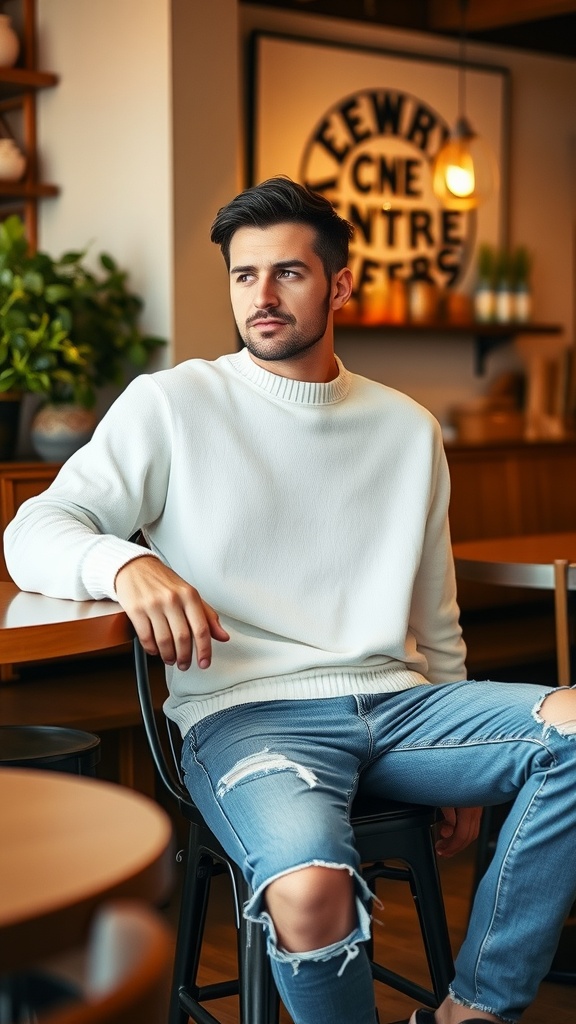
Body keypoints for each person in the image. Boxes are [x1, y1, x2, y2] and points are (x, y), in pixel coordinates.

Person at [4, 176, 576, 1024]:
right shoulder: (172, 405)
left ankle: (475, 1010)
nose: (261, 297)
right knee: (310, 893)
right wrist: (123, 564)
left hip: (404, 710)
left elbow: (435, 612)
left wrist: (458, 764)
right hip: (247, 715)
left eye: (288, 274)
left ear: (339, 284)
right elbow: (33, 527)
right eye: (243, 276)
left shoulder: (406, 427)